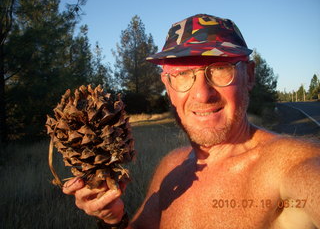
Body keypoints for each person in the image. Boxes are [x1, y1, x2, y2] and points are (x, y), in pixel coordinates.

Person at [63, 14, 320, 229]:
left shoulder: (291, 166)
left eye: (220, 68)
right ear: (167, 85)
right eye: (183, 73)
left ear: (249, 75)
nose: (202, 94)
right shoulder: (171, 165)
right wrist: (113, 219)